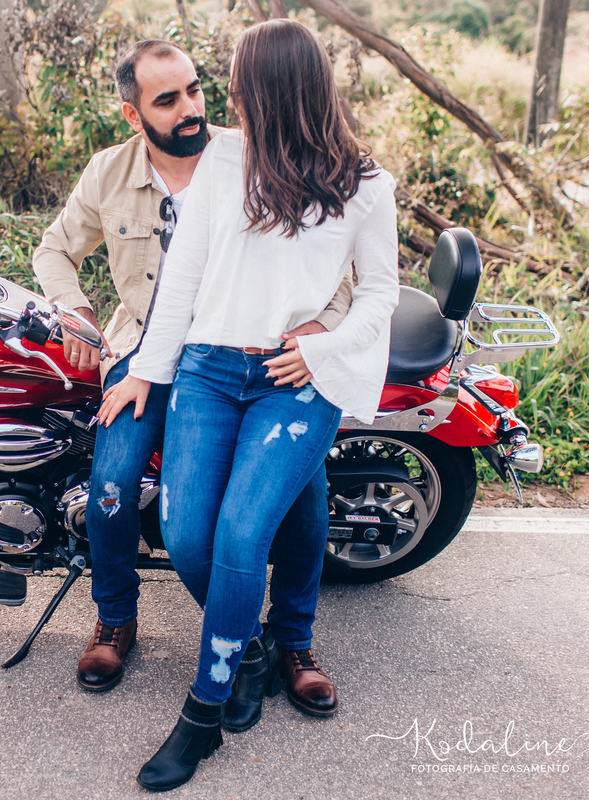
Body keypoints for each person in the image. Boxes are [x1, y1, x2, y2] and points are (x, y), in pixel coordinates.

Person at [96, 20, 400, 792]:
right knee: (184, 532)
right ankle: (256, 645)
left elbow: (382, 293)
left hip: (294, 380)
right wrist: (147, 373)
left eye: (233, 81)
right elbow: (183, 282)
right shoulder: (221, 161)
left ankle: (206, 709)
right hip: (205, 369)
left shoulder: (364, 183)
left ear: (270, 89)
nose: (223, 95)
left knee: (239, 536)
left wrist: (323, 349)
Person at [32, 39, 353, 723]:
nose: (191, 109)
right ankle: (116, 620)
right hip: (145, 351)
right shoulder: (109, 173)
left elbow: (337, 273)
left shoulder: (251, 157)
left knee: (304, 494)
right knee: (112, 481)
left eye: (196, 91)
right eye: (168, 99)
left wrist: (320, 336)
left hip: (246, 358)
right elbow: (55, 248)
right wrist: (78, 313)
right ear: (132, 113)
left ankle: (293, 641)